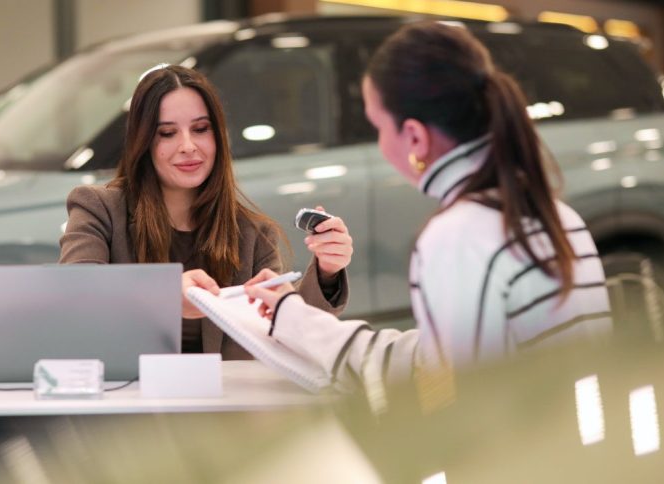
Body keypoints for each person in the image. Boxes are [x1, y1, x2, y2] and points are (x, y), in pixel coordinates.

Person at [240, 22, 612, 401]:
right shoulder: (558, 216)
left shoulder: (459, 234)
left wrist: (297, 320)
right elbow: (439, 358)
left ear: (415, 137)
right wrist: (295, 317)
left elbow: (450, 393)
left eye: (379, 127)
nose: (380, 144)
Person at [59, 64, 352, 359]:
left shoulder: (253, 234)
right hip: (128, 387)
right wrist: (164, 295)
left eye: (200, 129)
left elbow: (287, 337)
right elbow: (75, 294)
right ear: (143, 142)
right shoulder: (99, 208)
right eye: (167, 133)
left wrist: (327, 272)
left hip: (224, 389)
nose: (188, 146)